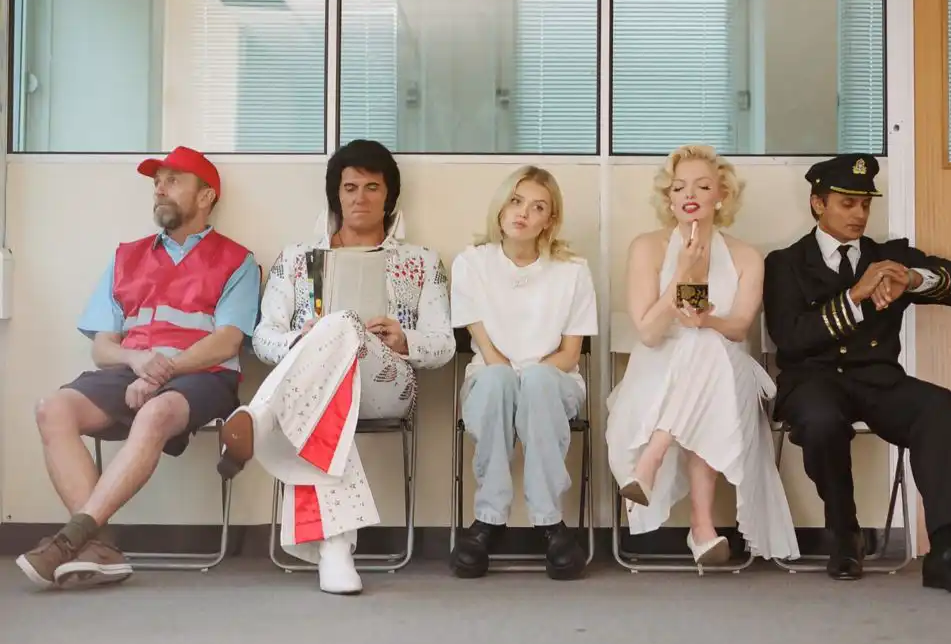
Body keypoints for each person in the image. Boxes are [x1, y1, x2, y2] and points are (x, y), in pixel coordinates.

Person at [218, 140, 456, 596]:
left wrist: (404, 339)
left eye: (372, 187)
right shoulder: (297, 259)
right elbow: (263, 337)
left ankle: (262, 417)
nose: (360, 197)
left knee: (339, 330)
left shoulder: (422, 261)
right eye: (350, 187)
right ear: (336, 195)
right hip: (317, 388)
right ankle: (336, 550)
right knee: (325, 384)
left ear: (389, 196)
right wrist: (301, 340)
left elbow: (444, 345)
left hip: (388, 382)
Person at [17, 147, 260, 590]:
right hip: (132, 370)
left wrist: (159, 374)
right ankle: (99, 546)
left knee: (155, 412)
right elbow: (102, 348)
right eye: (157, 182)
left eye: (173, 180)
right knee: (52, 408)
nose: (160, 189)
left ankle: (71, 539)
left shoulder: (237, 261)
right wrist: (135, 361)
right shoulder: (125, 257)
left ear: (206, 196)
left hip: (204, 377)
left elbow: (227, 341)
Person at [763, 153, 951, 596]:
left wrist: (914, 279)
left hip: (877, 380)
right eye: (847, 203)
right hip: (812, 381)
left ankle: (945, 551)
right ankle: (844, 534)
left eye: (865, 204)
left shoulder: (890, 257)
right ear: (818, 204)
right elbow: (789, 337)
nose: (860, 214)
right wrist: (854, 296)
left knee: (937, 405)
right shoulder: (785, 263)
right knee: (822, 419)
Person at [606, 144, 799, 566]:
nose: (689, 195)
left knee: (707, 344)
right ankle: (702, 527)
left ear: (722, 196)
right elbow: (649, 333)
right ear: (669, 198)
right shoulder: (647, 247)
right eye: (679, 187)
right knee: (702, 357)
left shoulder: (746, 256)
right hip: (660, 367)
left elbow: (740, 327)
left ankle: (651, 459)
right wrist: (680, 273)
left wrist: (707, 320)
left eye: (703, 186)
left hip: (728, 367)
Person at [448, 166, 598, 581]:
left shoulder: (573, 271)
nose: (523, 213)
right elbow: (487, 351)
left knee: (538, 381)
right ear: (501, 206)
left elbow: (569, 354)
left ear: (549, 220)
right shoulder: (472, 263)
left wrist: (529, 377)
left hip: (554, 382)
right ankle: (489, 518)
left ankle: (549, 521)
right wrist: (514, 377)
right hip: (491, 378)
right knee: (499, 380)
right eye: (516, 201)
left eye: (538, 207)